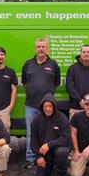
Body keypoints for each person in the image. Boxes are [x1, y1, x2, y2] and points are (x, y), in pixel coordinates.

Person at [22, 38, 61, 169]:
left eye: (43, 47)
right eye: (39, 47)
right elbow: (24, 82)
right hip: (31, 105)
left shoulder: (53, 64)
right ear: (35, 49)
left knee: (48, 132)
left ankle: (47, 157)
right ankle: (30, 158)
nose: (41, 49)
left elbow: (56, 83)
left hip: (47, 106)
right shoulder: (28, 64)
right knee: (30, 132)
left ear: (47, 49)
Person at [30, 93, 71, 176]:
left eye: (50, 106)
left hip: (58, 148)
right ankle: (52, 164)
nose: (47, 108)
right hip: (45, 152)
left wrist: (49, 145)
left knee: (62, 152)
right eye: (45, 106)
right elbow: (34, 141)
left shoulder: (62, 118)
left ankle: (61, 175)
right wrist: (38, 157)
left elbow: (66, 138)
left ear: (54, 106)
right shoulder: (36, 120)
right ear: (42, 107)